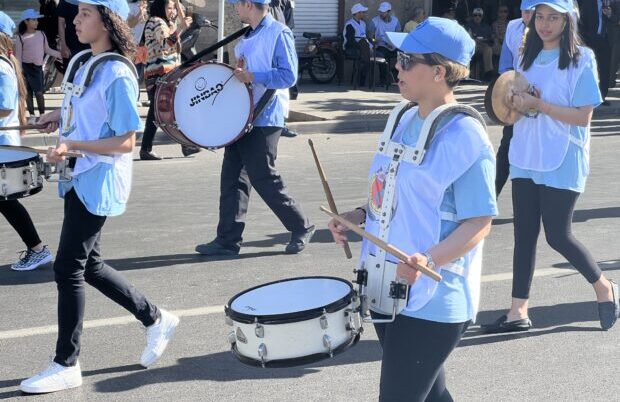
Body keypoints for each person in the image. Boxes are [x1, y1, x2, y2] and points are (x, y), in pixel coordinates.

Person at [328, 17, 497, 401]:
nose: (395, 65)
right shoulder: (401, 117)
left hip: (434, 300)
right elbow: (390, 192)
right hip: (386, 285)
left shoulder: (466, 136)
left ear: (439, 72)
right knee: (432, 396)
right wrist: (358, 216)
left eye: (407, 59)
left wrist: (429, 260)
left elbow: (480, 220)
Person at [19, 0, 179, 394]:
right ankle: (156, 319)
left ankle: (66, 362)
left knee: (68, 268)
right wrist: (57, 119)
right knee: (89, 266)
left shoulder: (118, 73)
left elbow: (126, 141)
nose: (75, 21)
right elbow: (84, 113)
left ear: (107, 21)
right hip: (77, 175)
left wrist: (70, 143)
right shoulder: (80, 63)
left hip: (97, 178)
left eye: (85, 14)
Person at [482, 0, 619, 334]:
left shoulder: (581, 59)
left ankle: (603, 287)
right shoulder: (524, 55)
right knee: (524, 234)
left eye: (553, 17)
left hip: (563, 155)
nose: (544, 24)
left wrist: (537, 104)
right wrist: (514, 103)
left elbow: (582, 118)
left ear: (567, 19)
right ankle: (518, 311)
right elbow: (515, 104)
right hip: (526, 152)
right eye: (539, 16)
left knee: (558, 234)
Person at [195, 0, 314, 256]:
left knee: (263, 176)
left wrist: (252, 76)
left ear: (248, 4)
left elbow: (288, 75)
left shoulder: (278, 33)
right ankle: (227, 241)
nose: (234, 9)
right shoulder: (248, 35)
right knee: (232, 178)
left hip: (266, 115)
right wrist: (241, 72)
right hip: (243, 115)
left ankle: (301, 226)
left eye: (237, 4)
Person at [0, 11, 53, 272]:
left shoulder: (0, 65)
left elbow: (4, 109)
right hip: (4, 144)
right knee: (5, 203)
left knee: (6, 202)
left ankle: (38, 249)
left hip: (2, 145)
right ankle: (37, 249)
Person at [140, 0, 199, 160]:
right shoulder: (156, 22)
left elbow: (176, 47)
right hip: (159, 74)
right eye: (169, 7)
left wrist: (178, 26)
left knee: (172, 109)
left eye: (174, 7)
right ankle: (146, 149)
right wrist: (180, 28)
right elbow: (166, 45)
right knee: (158, 113)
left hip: (166, 73)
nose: (172, 11)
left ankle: (184, 145)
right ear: (161, 7)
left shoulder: (166, 23)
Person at [495, 0, 535, 197]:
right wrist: (510, 87)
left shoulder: (551, 30)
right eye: (525, 12)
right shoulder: (513, 26)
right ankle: (488, 199)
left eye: (533, 12)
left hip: (539, 99)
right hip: (516, 96)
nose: (529, 16)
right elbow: (505, 64)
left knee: (534, 149)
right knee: (506, 148)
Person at [15, 9, 62, 117]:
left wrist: (59, 54)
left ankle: (42, 115)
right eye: (34, 20)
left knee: (39, 93)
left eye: (37, 20)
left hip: (37, 68)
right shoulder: (20, 37)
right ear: (26, 21)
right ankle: (31, 115)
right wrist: (19, 71)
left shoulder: (41, 34)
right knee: (28, 93)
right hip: (25, 68)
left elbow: (47, 50)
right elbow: (18, 56)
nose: (37, 22)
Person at [270, 0, 298, 137]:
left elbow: (289, 22)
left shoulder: (283, 3)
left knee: (282, 93)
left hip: (281, 45)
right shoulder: (268, 5)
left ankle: (281, 123)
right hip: (270, 46)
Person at [577, 0, 611, 104]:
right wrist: (586, 41)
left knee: (605, 69)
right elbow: (581, 24)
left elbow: (613, 20)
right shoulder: (588, 3)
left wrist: (609, 14)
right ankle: (590, 97)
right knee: (591, 70)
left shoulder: (607, 4)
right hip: (591, 42)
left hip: (605, 40)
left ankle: (602, 97)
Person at [369, 2, 401, 87]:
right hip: (381, 46)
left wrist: (393, 44)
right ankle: (383, 80)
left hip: (393, 46)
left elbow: (398, 36)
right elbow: (370, 37)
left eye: (383, 12)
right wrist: (375, 41)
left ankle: (398, 76)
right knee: (381, 56)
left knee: (404, 54)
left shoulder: (396, 21)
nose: (381, 14)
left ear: (388, 12)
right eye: (380, 11)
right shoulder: (374, 21)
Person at [343, 3, 371, 88]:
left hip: (364, 47)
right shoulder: (350, 24)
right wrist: (362, 46)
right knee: (365, 53)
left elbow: (365, 37)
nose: (364, 14)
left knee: (366, 47)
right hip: (352, 47)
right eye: (362, 12)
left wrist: (371, 46)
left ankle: (366, 80)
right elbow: (350, 40)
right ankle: (361, 80)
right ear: (358, 13)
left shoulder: (363, 23)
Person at [57, 0, 90, 70]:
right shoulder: (66, 1)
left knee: (88, 76)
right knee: (70, 75)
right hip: (71, 46)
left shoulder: (94, 2)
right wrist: (63, 45)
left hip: (90, 46)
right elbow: (61, 22)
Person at [467, 7, 496, 81]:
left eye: (479, 15)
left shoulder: (486, 27)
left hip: (484, 46)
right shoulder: (468, 25)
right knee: (487, 48)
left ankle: (489, 73)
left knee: (488, 49)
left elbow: (491, 39)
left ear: (482, 17)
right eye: (475, 15)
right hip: (471, 46)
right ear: (472, 16)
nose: (477, 17)